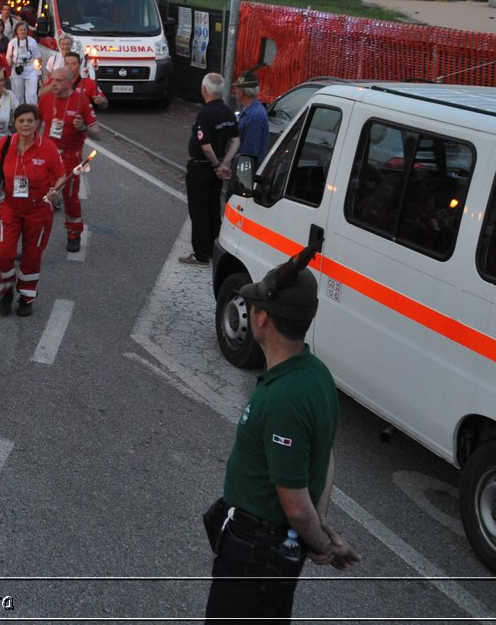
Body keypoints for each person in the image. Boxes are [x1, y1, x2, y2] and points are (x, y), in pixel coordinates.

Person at [204, 242, 359, 622]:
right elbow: (325, 457)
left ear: (262, 319)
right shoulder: (316, 375)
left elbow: (293, 503)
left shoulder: (285, 397)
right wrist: (317, 527)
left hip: (255, 553)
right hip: (272, 550)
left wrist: (320, 543)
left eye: (256, 304)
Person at [0, 104, 66, 317]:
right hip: (10, 207)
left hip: (38, 210)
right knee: (3, 254)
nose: (26, 125)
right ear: (15, 123)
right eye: (21, 121)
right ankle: (6, 292)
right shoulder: (5, 144)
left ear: (37, 123)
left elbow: (61, 175)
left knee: (32, 257)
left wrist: (54, 190)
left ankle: (26, 297)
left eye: (30, 121)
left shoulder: (48, 148)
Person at [36, 65, 103, 253]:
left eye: (58, 81)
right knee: (41, 196)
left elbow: (98, 133)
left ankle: (73, 233)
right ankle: (34, 237)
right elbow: (35, 125)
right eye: (52, 80)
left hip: (69, 159)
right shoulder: (46, 99)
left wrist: (83, 128)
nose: (53, 84)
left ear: (69, 82)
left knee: (70, 198)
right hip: (47, 157)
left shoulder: (81, 102)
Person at [181, 72, 240, 266]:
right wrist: (224, 163)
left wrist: (216, 165)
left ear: (204, 89)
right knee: (213, 208)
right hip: (217, 169)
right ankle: (215, 249)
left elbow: (205, 146)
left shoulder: (205, 114)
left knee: (198, 211)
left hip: (201, 168)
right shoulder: (228, 112)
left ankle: (200, 253)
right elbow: (235, 140)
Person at [234, 73, 271, 167]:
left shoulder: (254, 116)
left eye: (237, 88)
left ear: (242, 92)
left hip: (245, 172)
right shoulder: (249, 110)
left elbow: (249, 153)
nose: (234, 91)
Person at [7, 21, 45, 105]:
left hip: (30, 69)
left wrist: (38, 69)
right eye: (21, 30)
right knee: (17, 95)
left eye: (24, 30)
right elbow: (8, 57)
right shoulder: (12, 42)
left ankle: (32, 112)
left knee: (31, 94)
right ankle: (18, 113)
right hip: (17, 70)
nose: (23, 32)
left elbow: (38, 57)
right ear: (17, 31)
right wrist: (10, 62)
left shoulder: (32, 41)